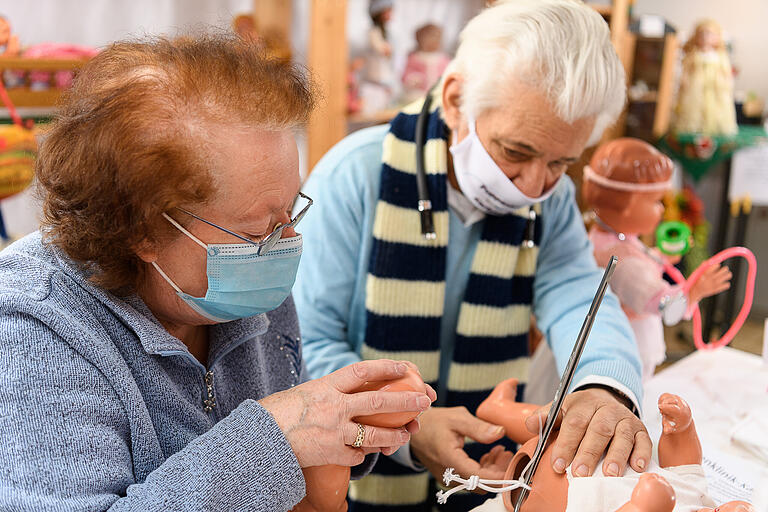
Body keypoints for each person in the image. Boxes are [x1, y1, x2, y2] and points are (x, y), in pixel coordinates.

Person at [0, 34, 434, 511]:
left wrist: (347, 422)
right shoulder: (33, 329)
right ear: (142, 229)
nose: (286, 242)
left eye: (290, 212)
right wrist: (275, 439)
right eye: (258, 229)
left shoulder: (246, 281)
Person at [294, 1, 650, 510]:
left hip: (487, 471)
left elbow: (577, 298)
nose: (533, 186)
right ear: (457, 100)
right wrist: (406, 428)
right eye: (515, 152)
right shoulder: (355, 175)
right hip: (350, 482)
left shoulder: (556, 202)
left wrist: (604, 388)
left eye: (561, 162)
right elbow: (306, 344)